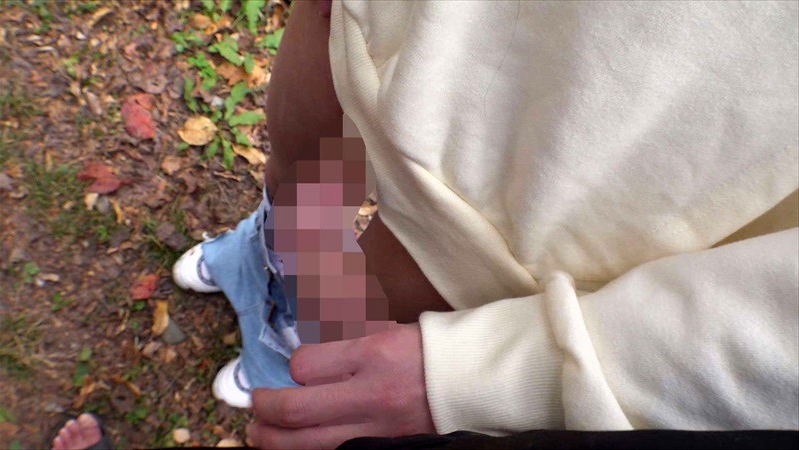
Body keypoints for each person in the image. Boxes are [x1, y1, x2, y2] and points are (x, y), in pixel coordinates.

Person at [240, 0, 798, 449]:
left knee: (347, 333)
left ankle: (289, 345)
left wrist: (513, 370)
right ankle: (260, 264)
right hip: (382, 21)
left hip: (543, 207)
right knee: (298, 191)